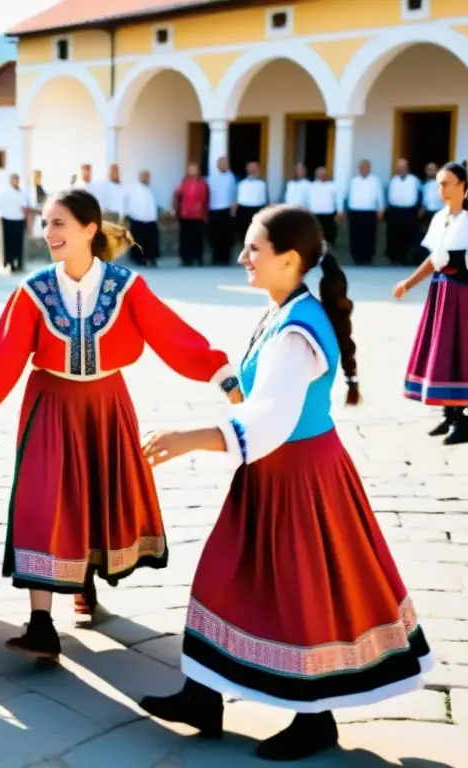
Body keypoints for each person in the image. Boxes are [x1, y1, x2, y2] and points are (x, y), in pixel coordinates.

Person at [138, 205, 433, 763]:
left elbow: (271, 417)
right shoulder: (284, 310)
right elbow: (262, 404)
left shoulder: (298, 328)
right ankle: (203, 695)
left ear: (290, 260)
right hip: (271, 472)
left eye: (254, 248)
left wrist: (190, 437)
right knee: (224, 576)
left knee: (301, 594)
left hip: (299, 477)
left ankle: (314, 718)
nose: (243, 256)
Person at [0, 189, 239, 657]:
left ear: (89, 230)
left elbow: (170, 334)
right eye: (47, 224)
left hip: (105, 403)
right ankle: (40, 622)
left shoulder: (125, 286)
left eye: (59, 224)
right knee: (42, 501)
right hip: (50, 405)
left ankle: (84, 581)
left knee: (97, 494)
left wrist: (222, 376)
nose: (48, 233)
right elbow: (3, 352)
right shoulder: (34, 289)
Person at [394, 161, 468, 444]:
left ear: (464, 187)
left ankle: (461, 418)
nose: (442, 189)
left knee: (461, 351)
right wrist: (408, 284)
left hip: (463, 293)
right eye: (439, 184)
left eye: (448, 183)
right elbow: (433, 260)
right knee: (442, 350)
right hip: (442, 292)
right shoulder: (440, 218)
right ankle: (450, 415)